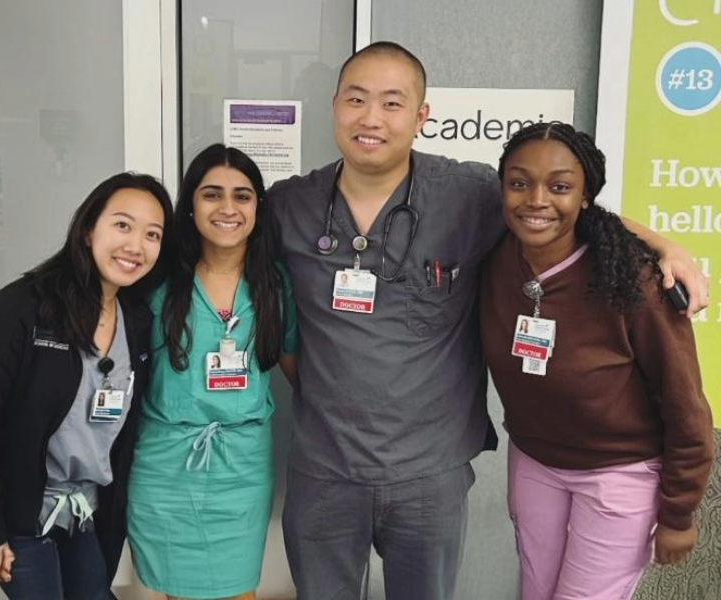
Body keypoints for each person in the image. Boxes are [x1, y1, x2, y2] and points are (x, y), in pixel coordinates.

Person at [267, 41, 710, 599]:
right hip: (324, 469)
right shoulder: (288, 205)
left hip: (430, 473)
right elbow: (225, 251)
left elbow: (564, 209)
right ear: (335, 105)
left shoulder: (469, 193)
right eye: (356, 99)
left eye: (392, 102)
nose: (371, 118)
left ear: (422, 116)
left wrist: (667, 245)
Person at [480, 122, 714, 599]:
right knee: (537, 592)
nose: (537, 200)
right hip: (535, 461)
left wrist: (678, 514)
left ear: (586, 196)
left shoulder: (635, 282)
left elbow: (686, 406)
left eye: (560, 186)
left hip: (619, 474)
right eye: (519, 183)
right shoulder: (496, 253)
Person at [0, 172, 174, 599]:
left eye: (152, 234)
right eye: (122, 225)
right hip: (20, 511)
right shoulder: (21, 310)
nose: (135, 245)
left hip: (83, 511)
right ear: (89, 230)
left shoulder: (137, 320)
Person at [126, 144, 297, 600]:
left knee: (237, 590)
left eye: (242, 196)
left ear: (258, 207)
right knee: (169, 589)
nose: (227, 208)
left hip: (242, 468)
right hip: (165, 465)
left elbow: (302, 374)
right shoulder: (155, 281)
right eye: (211, 194)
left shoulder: (276, 284)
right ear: (190, 205)